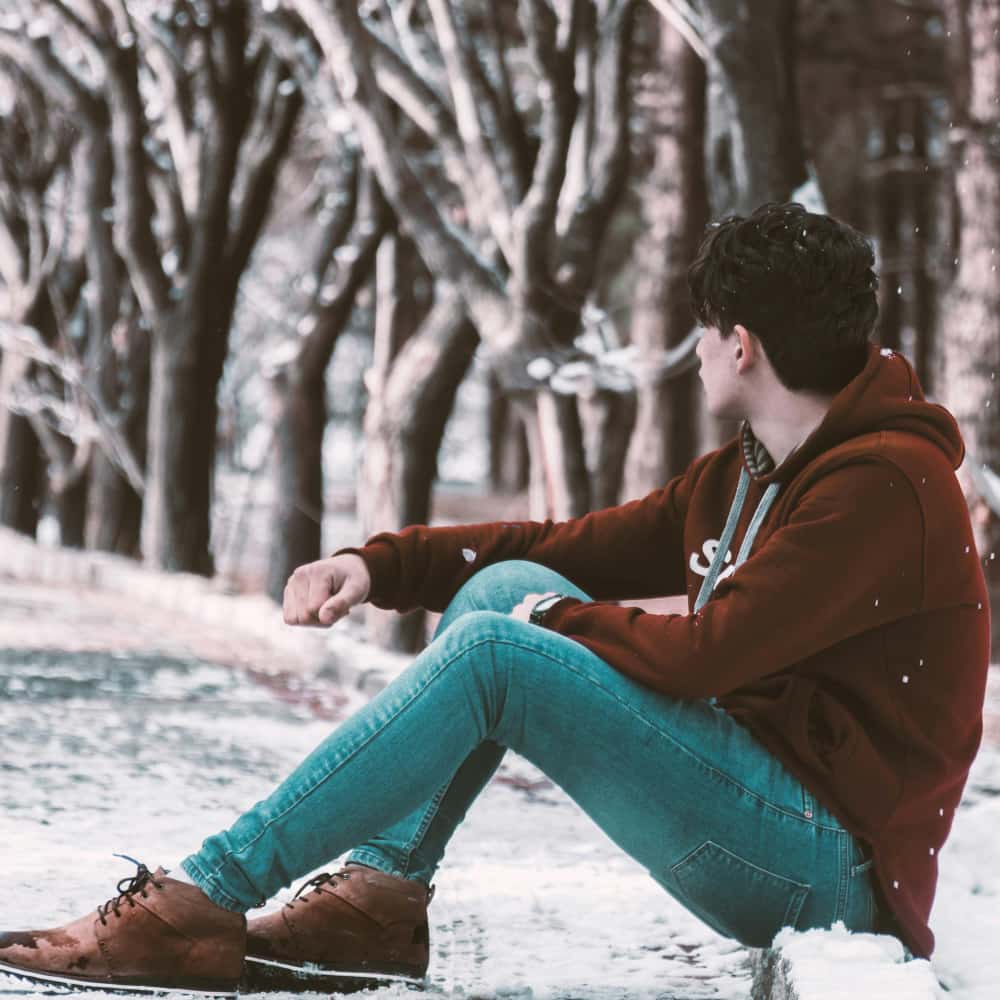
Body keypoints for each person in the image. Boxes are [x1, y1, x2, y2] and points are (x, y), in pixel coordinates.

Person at [0, 202, 989, 998]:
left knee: (500, 646)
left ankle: (200, 898)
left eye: (701, 330)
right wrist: (383, 565)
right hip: (764, 803)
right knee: (503, 591)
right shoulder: (763, 467)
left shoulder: (880, 487)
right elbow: (564, 550)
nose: (693, 349)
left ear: (740, 346)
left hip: (828, 871)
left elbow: (707, 654)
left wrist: (546, 628)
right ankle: (376, 903)